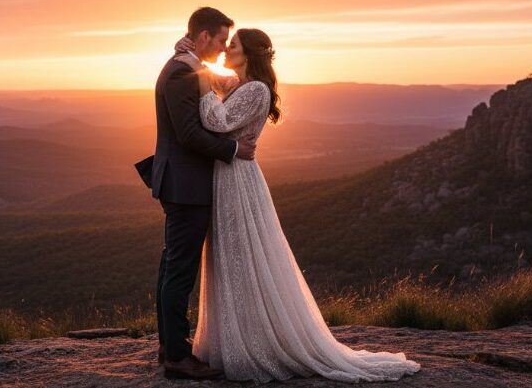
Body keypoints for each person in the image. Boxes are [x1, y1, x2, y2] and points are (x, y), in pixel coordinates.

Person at [171, 27, 422, 384]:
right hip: (227, 175)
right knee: (231, 256)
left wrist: (206, 89)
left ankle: (255, 345)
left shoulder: (256, 90)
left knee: (242, 255)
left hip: (237, 179)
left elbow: (217, 121)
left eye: (234, 45)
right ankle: (238, 340)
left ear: (249, 53)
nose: (226, 49)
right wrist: (187, 52)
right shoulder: (240, 85)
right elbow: (208, 75)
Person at [151, 6, 257, 380]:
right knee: (180, 270)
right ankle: (177, 357)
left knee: (172, 264)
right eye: (221, 40)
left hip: (180, 182)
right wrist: (234, 149)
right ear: (203, 37)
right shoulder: (182, 73)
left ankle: (169, 347)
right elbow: (189, 135)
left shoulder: (186, 65)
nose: (224, 47)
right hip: (186, 185)